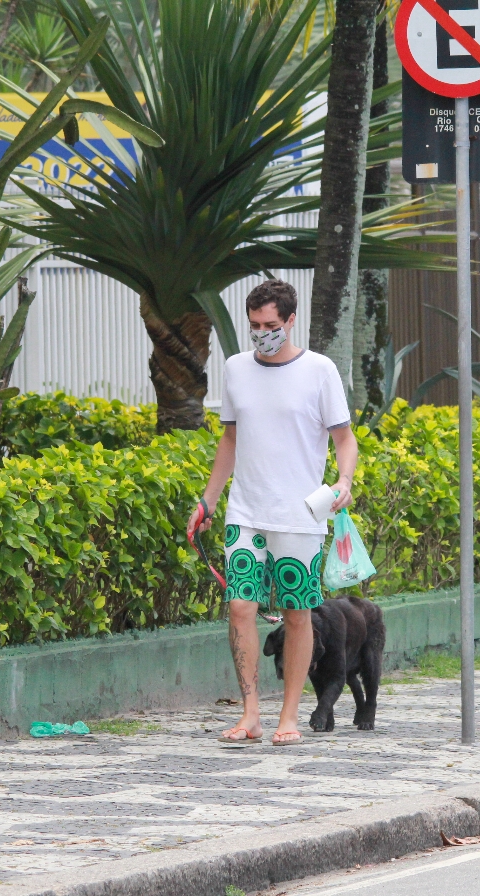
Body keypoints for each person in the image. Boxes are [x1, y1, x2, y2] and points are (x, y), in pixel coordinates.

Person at [187, 279, 358, 746]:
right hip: (246, 510)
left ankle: (288, 717)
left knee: (297, 613)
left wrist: (343, 481)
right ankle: (249, 715)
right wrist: (208, 500)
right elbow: (230, 439)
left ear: (289, 321)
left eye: (271, 325)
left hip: (301, 515)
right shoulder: (237, 368)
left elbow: (345, 439)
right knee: (240, 606)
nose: (262, 333)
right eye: (255, 325)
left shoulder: (320, 371)